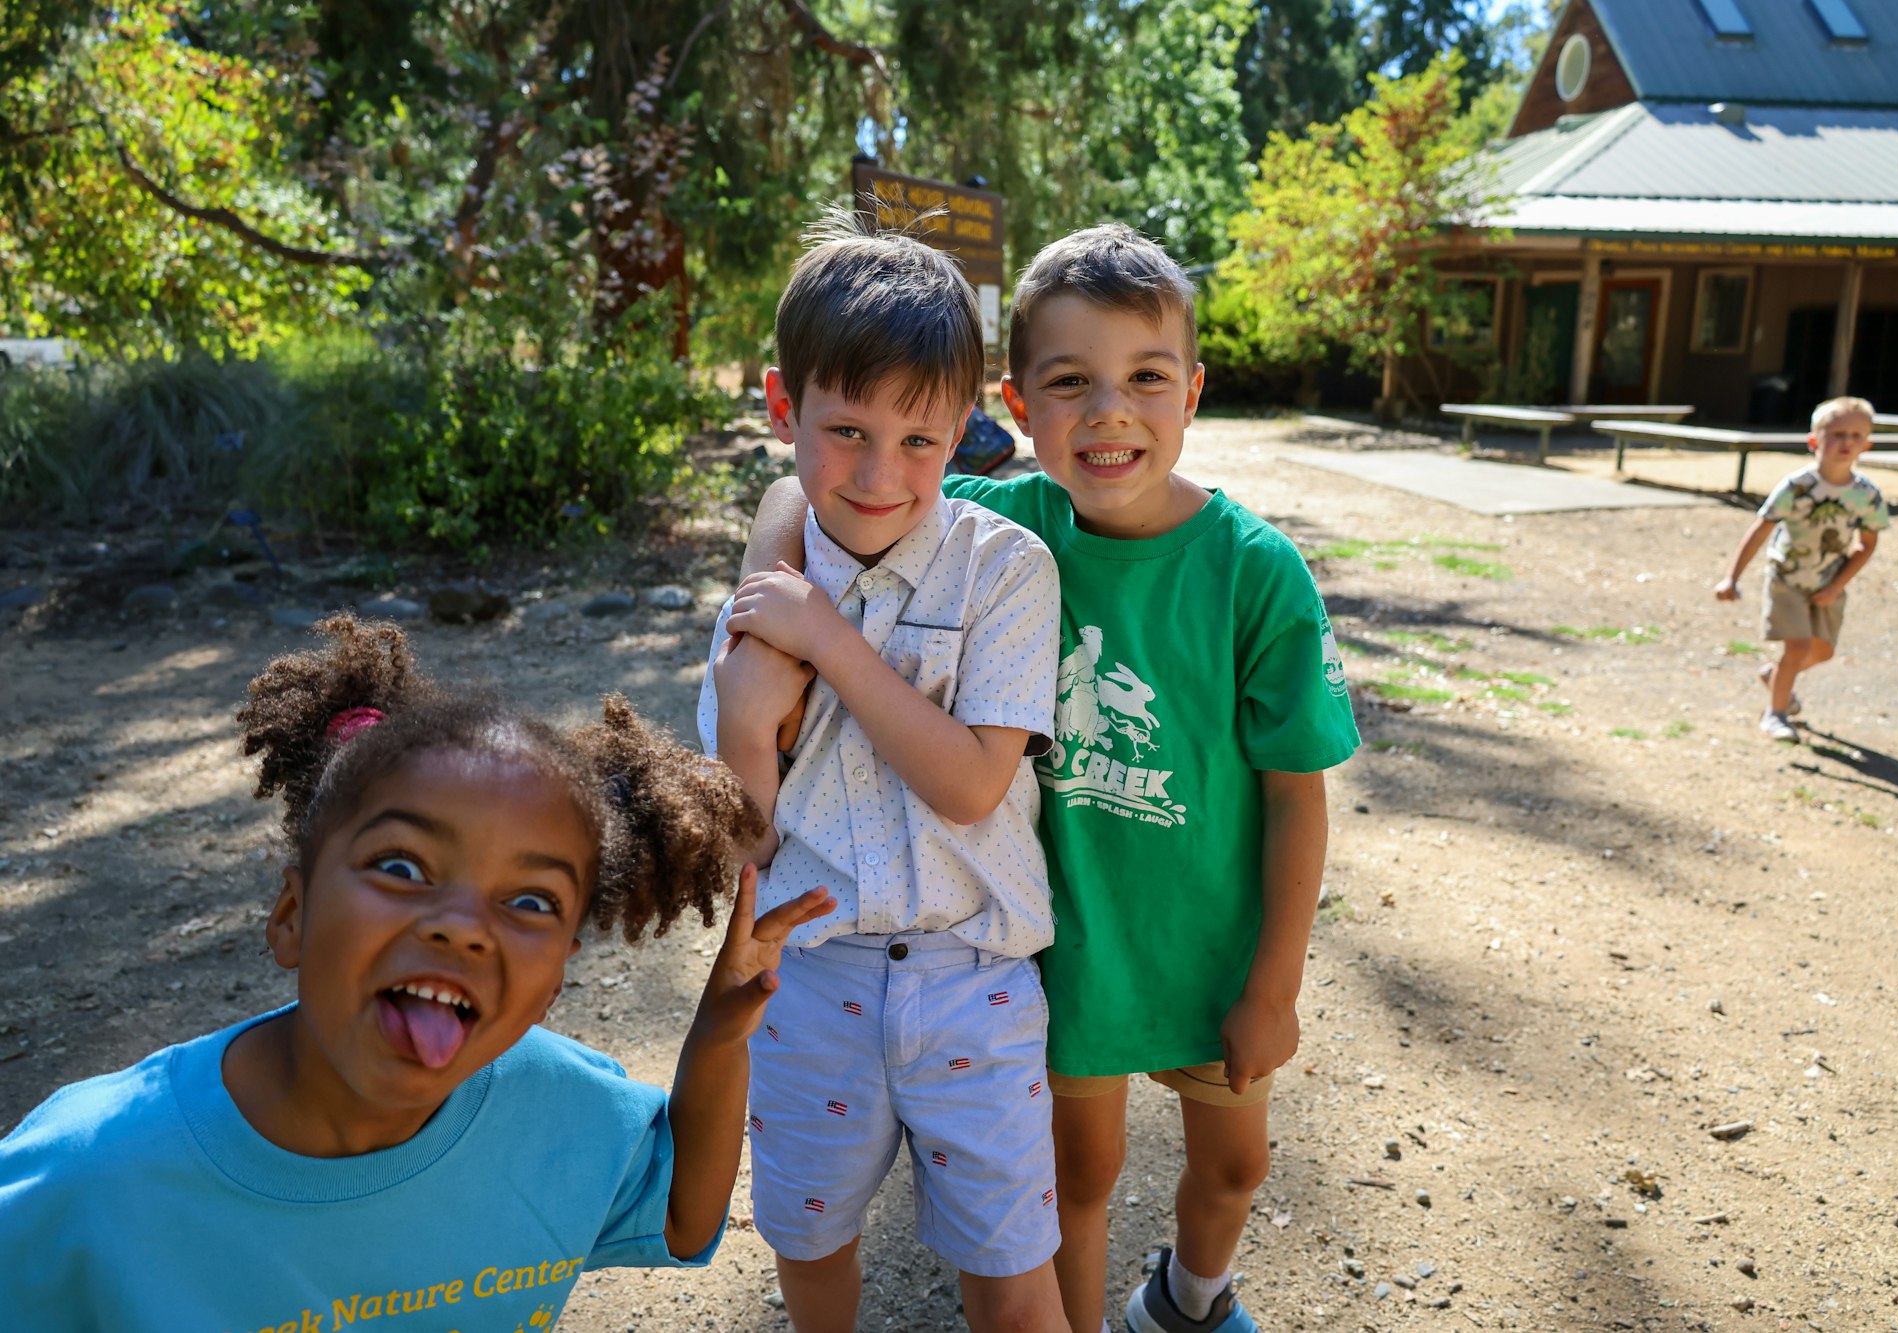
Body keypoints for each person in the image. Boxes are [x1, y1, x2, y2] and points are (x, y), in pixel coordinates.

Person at [740, 222, 1361, 1333]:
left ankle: (1188, 1299)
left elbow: (1294, 791)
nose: (1108, 410)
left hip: (1210, 953)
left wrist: (1272, 984)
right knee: (1073, 1182)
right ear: (1018, 406)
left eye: (1143, 378)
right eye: (1069, 381)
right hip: (1066, 956)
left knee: (1230, 1170)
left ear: (1192, 394)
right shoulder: (998, 527)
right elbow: (812, 495)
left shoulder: (1253, 570)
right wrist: (763, 578)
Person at [0, 613, 832, 1329]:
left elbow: (685, 1219)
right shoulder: (86, 1175)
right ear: (292, 915)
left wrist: (721, 1031)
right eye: (401, 868)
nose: (464, 928)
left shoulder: (559, 1110)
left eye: (533, 902)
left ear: (553, 985)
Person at [697, 215, 1067, 1333]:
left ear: (960, 426)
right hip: (810, 983)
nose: (876, 473)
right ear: (781, 405)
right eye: (844, 430)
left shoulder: (1004, 568)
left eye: (917, 440)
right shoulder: (760, 601)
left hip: (973, 975)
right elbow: (745, 840)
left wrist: (826, 643)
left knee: (1008, 1275)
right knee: (811, 1246)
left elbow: (968, 786)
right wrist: (749, 719)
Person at [1715, 395, 1890, 742]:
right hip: (1788, 578)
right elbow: (1761, 529)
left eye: (1856, 436)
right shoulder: (1797, 487)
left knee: (1821, 652)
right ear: (1815, 441)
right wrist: (1731, 577)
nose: (1846, 442)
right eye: (1838, 433)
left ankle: (1778, 675)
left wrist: (1836, 586)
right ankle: (1776, 714)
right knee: (1796, 648)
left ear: (1866, 445)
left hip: (1828, 581)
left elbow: (1866, 545)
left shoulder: (1866, 495)